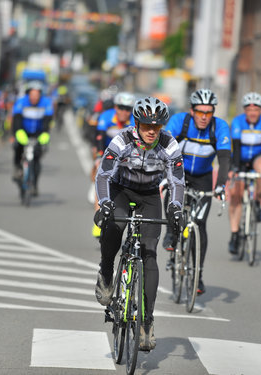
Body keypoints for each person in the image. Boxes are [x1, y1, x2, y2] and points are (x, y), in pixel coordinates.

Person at [93, 96, 185, 351]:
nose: (151, 131)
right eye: (146, 126)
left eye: (156, 127)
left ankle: (146, 322)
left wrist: (176, 208)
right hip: (120, 189)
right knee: (113, 229)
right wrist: (105, 203)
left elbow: (177, 182)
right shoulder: (121, 140)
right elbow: (103, 174)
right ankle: (107, 274)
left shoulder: (169, 144)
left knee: (150, 253)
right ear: (137, 123)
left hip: (149, 196)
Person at [164, 88, 230, 295]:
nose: (204, 117)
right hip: (179, 172)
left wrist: (220, 185)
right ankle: (170, 235)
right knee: (172, 197)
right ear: (192, 111)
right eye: (200, 112)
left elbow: (225, 159)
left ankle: (198, 276)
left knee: (200, 225)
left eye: (208, 112)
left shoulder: (219, 127)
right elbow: (163, 149)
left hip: (203, 177)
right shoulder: (179, 122)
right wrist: (164, 176)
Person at [227, 92, 261, 254]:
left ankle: (257, 202)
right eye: (249, 110)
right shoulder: (238, 122)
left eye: (256, 110)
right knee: (235, 194)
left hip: (257, 156)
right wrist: (235, 169)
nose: (253, 113)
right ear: (245, 111)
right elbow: (237, 145)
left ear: (260, 110)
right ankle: (234, 234)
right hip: (239, 158)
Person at [91, 92, 136, 238]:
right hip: (106, 154)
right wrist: (99, 156)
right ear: (115, 107)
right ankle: (98, 220)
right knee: (100, 175)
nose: (124, 112)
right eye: (121, 108)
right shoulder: (106, 116)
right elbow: (99, 137)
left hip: (126, 157)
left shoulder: (134, 121)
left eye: (128, 109)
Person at [11, 80, 53, 196]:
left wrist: (45, 134)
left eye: (37, 95)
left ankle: (34, 184)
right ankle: (17, 168)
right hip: (23, 131)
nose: (34, 97)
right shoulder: (21, 102)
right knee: (18, 148)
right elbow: (16, 119)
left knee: (36, 159)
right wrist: (18, 133)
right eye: (32, 94)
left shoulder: (46, 103)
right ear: (28, 94)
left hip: (38, 133)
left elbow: (47, 121)